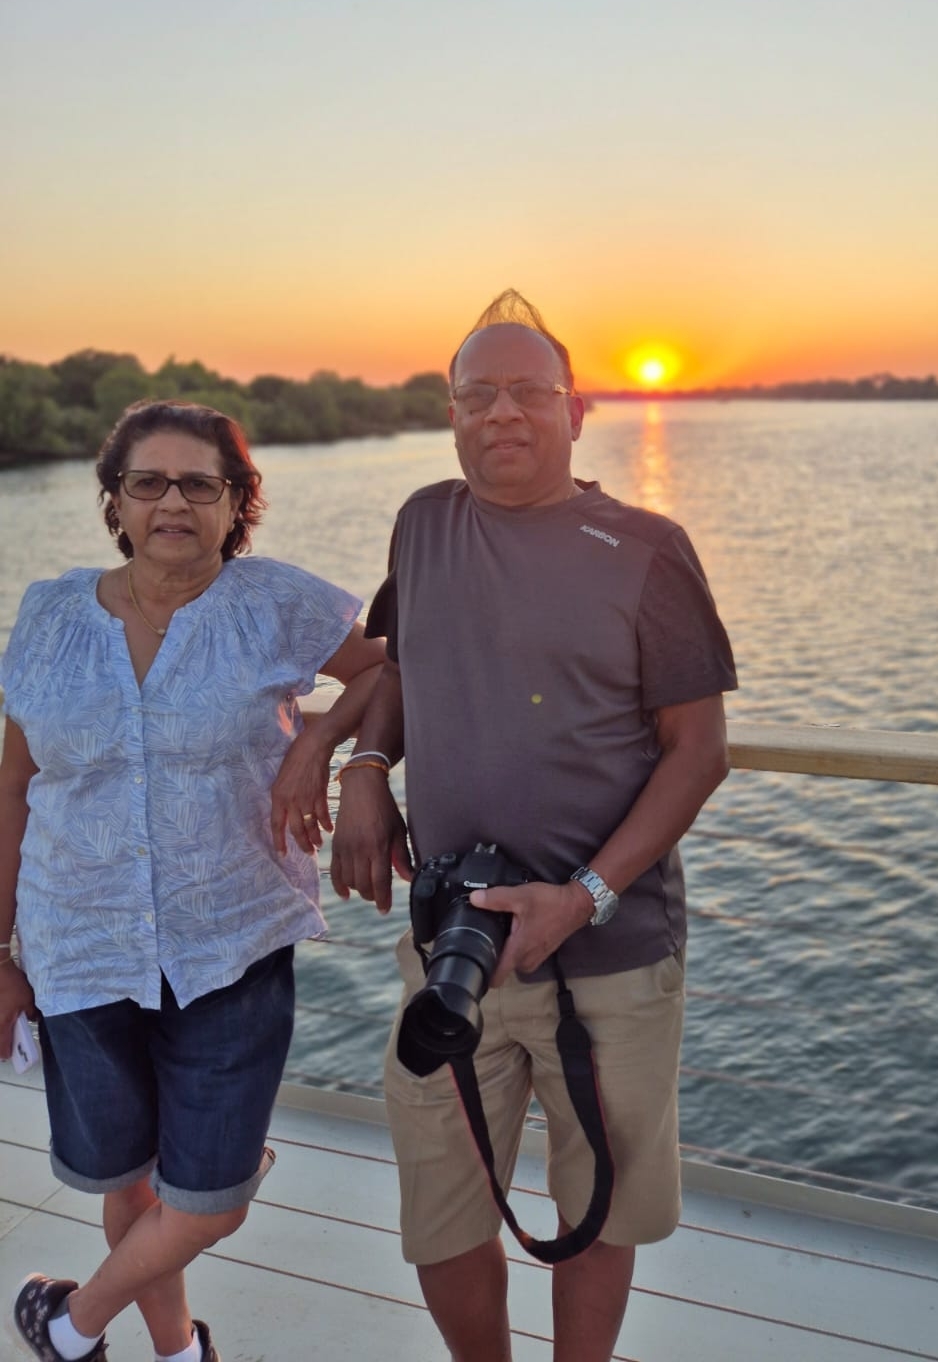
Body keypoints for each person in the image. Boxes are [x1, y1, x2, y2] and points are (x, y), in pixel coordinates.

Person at [326, 291, 736, 1362]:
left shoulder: (646, 547)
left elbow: (698, 749)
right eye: (478, 393)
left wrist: (584, 894)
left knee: (597, 1205)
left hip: (609, 947)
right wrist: (366, 763)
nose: (502, 412)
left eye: (528, 391)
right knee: (442, 1210)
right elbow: (403, 660)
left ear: (577, 409)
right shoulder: (423, 521)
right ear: (452, 410)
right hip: (453, 942)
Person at [0, 399, 386, 1362]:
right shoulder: (49, 613)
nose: (173, 502)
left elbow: (389, 672)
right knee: (126, 1179)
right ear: (116, 501)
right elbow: (14, 782)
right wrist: (2, 952)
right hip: (75, 944)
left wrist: (324, 747)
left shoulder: (275, 605)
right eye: (149, 482)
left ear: (236, 502)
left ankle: (70, 1321)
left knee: (208, 1193)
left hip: (231, 942)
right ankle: (177, 1353)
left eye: (200, 484)